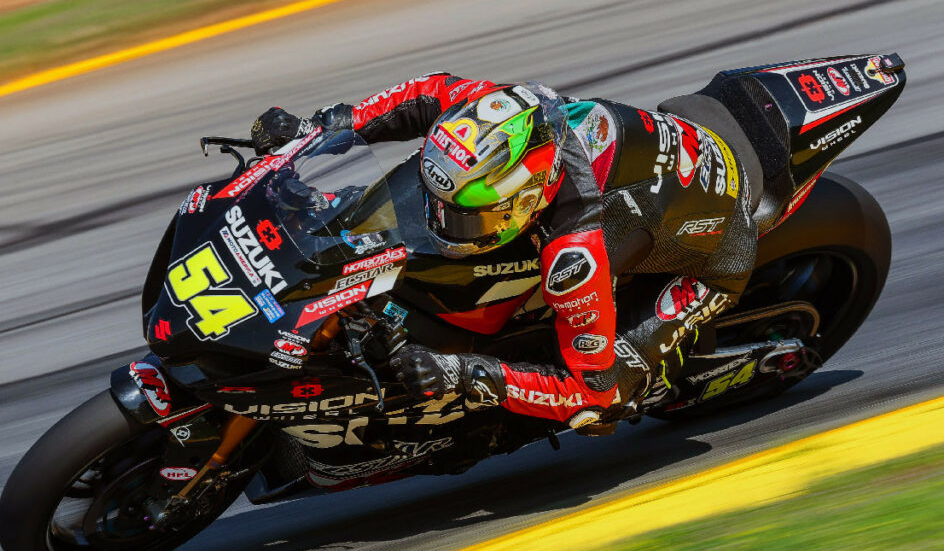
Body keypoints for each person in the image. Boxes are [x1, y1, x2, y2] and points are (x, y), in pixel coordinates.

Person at [250, 73, 756, 434]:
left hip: (716, 255)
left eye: (467, 217)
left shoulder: (573, 258)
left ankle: (664, 369)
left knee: (607, 399)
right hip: (654, 171)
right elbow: (425, 95)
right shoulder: (493, 109)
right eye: (440, 204)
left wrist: (467, 373)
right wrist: (316, 132)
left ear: (527, 199)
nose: (443, 223)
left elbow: (590, 395)